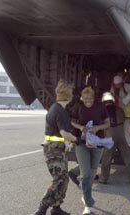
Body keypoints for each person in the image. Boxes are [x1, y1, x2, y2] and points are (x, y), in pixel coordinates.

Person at [31, 79, 79, 215]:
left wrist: (67, 142)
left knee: (64, 180)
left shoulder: (58, 109)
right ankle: (42, 208)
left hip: (58, 148)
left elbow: (62, 130)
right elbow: (64, 132)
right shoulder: (59, 110)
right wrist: (77, 140)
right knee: (59, 180)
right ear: (69, 95)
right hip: (54, 150)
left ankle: (56, 208)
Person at [70, 87, 110, 215]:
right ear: (82, 97)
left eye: (90, 98)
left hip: (97, 143)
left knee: (92, 174)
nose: (88, 100)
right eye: (85, 98)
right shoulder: (78, 106)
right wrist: (81, 127)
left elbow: (107, 123)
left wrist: (98, 127)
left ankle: (86, 195)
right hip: (81, 143)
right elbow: (71, 121)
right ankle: (88, 205)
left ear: (94, 98)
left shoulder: (100, 107)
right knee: (86, 174)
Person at [99, 92, 130, 184]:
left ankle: (104, 178)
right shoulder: (119, 109)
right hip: (121, 133)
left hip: (110, 134)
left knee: (107, 157)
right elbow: (124, 118)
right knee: (127, 155)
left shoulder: (103, 110)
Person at [111, 75, 130, 146]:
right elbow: (111, 96)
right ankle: (122, 141)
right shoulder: (113, 89)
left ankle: (128, 141)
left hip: (129, 107)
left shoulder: (128, 87)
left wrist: (126, 99)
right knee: (119, 125)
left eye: (119, 84)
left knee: (127, 124)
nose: (117, 86)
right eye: (116, 85)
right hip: (119, 108)